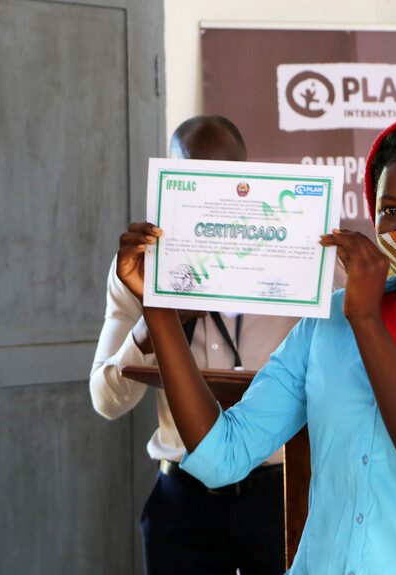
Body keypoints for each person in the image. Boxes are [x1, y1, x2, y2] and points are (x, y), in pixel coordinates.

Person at [115, 99, 396, 574]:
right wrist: (161, 310)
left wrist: (368, 322)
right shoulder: (326, 322)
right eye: (392, 209)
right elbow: (221, 455)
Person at [90, 115, 295, 575]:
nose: (208, 196)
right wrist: (155, 320)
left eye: (222, 179)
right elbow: (105, 400)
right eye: (191, 179)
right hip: (184, 500)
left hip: (278, 495)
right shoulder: (139, 267)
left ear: (248, 179)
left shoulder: (299, 257)